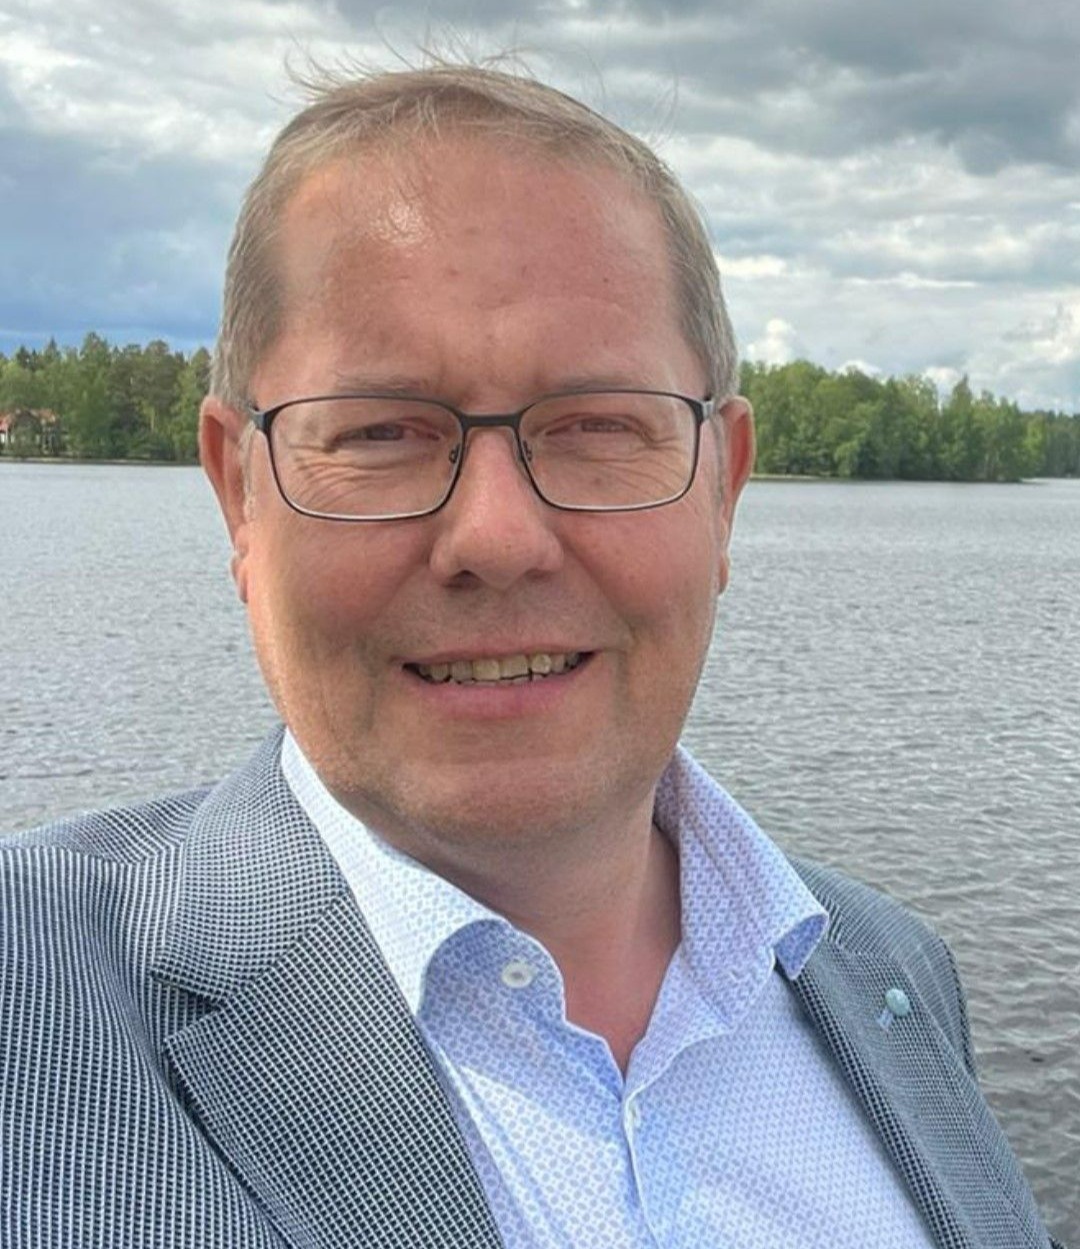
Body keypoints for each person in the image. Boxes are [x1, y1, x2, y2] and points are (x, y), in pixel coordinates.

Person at [0, 61, 1063, 1249]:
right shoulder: (26, 998)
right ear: (238, 492)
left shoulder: (890, 968)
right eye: (382, 431)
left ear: (724, 486)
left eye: (599, 425)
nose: (498, 538)